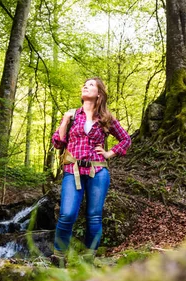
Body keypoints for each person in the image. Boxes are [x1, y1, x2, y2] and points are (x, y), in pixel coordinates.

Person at [51, 77, 131, 267]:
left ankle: (88, 259)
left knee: (94, 215)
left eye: (91, 85)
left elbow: (126, 139)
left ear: (99, 94)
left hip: (98, 171)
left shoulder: (106, 119)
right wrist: (64, 120)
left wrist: (109, 153)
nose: (85, 86)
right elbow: (58, 142)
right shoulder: (73, 116)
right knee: (67, 214)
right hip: (73, 170)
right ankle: (58, 258)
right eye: (84, 84)